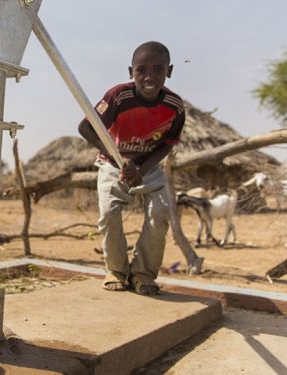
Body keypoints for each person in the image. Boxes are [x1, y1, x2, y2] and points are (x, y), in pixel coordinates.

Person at [78, 41, 184, 296]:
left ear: (169, 71)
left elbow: (168, 144)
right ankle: (116, 271)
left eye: (158, 69)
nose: (149, 77)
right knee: (109, 214)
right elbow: (85, 128)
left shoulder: (174, 106)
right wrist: (119, 162)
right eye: (141, 70)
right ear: (130, 72)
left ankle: (143, 274)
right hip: (113, 164)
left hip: (148, 166)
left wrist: (142, 168)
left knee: (159, 212)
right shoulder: (118, 97)